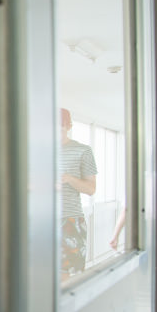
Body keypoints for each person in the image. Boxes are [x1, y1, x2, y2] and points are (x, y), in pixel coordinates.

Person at [59, 108, 97, 279]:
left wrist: (69, 179)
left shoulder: (84, 151)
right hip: (39, 221)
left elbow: (91, 189)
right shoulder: (35, 152)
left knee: (70, 278)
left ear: (69, 126)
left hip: (71, 220)